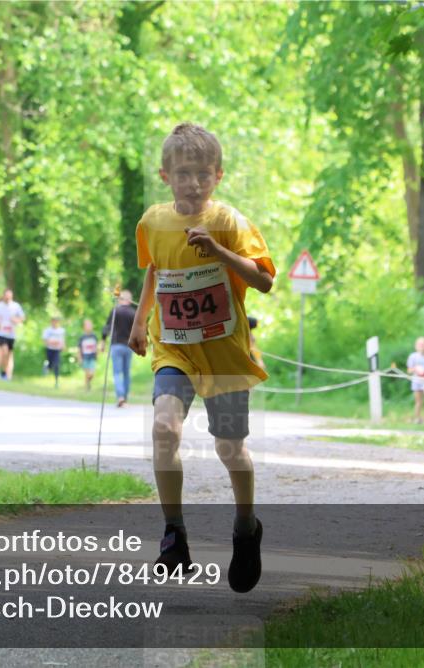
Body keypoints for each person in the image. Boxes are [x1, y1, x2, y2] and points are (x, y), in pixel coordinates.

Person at [128, 122, 275, 593]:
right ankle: (174, 534)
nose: (193, 182)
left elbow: (264, 281)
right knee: (163, 427)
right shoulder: (152, 221)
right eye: (184, 173)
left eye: (203, 174)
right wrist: (138, 319)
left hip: (225, 351)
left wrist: (218, 251)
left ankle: (245, 528)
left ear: (219, 175)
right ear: (165, 175)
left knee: (230, 449)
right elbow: (156, 268)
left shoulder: (230, 222)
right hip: (173, 347)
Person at [103, 290, 137, 407]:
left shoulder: (115, 311)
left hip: (116, 345)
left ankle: (120, 397)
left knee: (117, 373)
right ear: (129, 300)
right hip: (129, 346)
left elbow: (106, 328)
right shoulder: (133, 313)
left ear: (120, 299)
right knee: (126, 373)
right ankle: (125, 398)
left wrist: (102, 341)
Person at [0, 289, 25, 380]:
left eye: (9, 296)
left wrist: (16, 320)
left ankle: (5, 373)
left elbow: (22, 317)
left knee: (8, 355)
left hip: (11, 334)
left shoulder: (16, 306)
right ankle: (2, 372)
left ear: (11, 296)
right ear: (3, 296)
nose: (7, 298)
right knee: (4, 351)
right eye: (6, 296)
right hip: (1, 333)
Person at [407, 336, 424, 424]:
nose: (422, 346)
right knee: (418, 401)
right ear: (416, 346)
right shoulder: (413, 356)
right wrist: (416, 369)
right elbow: (409, 370)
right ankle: (417, 418)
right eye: (420, 344)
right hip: (417, 381)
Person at [42, 316, 66, 388]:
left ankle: (56, 381)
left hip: (57, 350)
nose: (55, 323)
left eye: (56, 321)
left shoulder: (61, 330)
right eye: (54, 321)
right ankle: (47, 366)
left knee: (57, 365)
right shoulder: (47, 330)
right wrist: (52, 342)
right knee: (51, 364)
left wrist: (63, 346)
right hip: (50, 349)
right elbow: (45, 341)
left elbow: (62, 340)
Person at [77, 319, 100, 391]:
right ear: (84, 327)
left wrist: (97, 354)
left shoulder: (94, 336)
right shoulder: (82, 337)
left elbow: (96, 346)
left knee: (91, 373)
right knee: (87, 373)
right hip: (85, 357)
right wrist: (79, 358)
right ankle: (87, 386)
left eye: (90, 325)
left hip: (92, 357)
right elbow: (79, 348)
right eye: (88, 325)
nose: (89, 327)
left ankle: (88, 382)